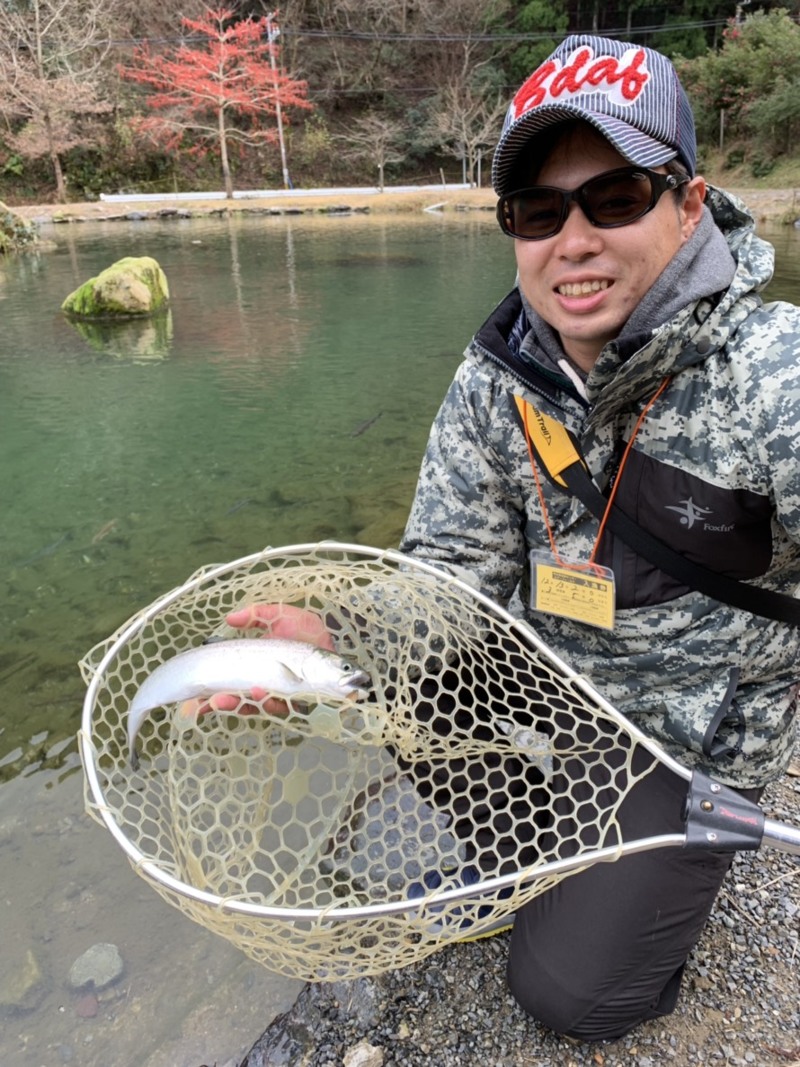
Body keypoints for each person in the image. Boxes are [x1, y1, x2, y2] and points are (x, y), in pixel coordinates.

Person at [393, 33, 800, 1040]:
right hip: (558, 690)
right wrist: (333, 638)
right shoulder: (498, 374)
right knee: (387, 677)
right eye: (537, 210)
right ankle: (541, 845)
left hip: (687, 734)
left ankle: (635, 861)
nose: (570, 239)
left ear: (688, 203)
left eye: (611, 197)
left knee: (571, 997)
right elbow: (447, 569)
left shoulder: (771, 371)